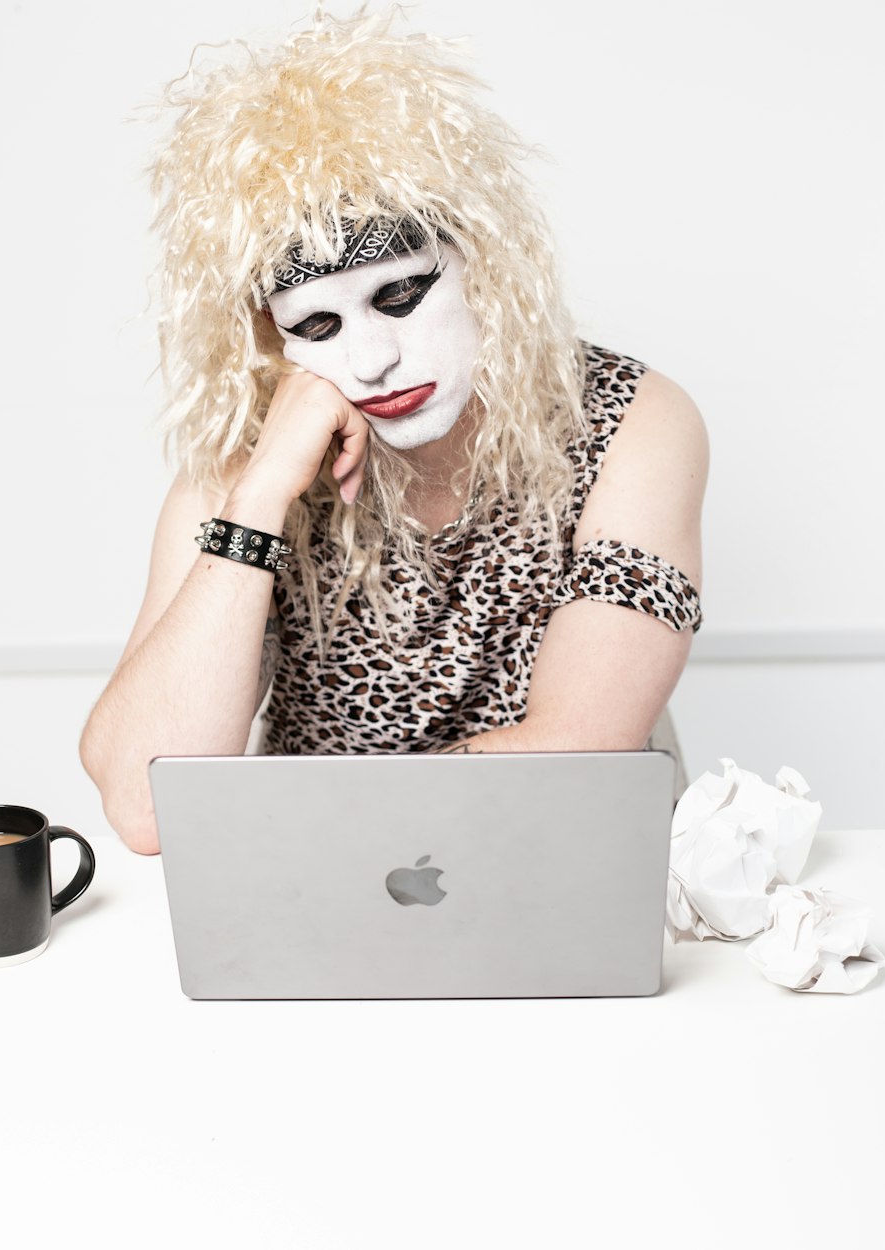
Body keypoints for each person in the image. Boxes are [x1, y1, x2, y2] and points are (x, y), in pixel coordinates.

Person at [80, 7, 708, 856]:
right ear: (270, 339)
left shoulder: (629, 416)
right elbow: (145, 806)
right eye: (319, 325)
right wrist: (260, 496)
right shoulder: (246, 462)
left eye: (401, 296)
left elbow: (579, 747)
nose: (373, 359)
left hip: (560, 862)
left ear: (484, 264)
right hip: (322, 898)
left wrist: (327, 832)